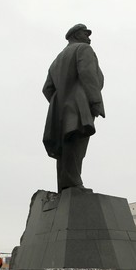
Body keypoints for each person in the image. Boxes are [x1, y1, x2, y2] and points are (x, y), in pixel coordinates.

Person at [42, 23, 105, 193]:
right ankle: (73, 183)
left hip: (62, 111)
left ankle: (66, 185)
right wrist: (95, 102)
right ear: (77, 35)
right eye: (86, 34)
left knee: (65, 149)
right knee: (77, 147)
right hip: (79, 107)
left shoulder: (57, 59)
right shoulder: (83, 49)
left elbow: (47, 88)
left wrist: (59, 103)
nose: (89, 38)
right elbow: (88, 75)